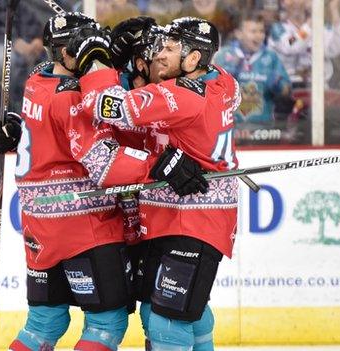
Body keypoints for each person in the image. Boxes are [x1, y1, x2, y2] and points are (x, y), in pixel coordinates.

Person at [0, 12, 208, 351]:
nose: (96, 55)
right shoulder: (76, 96)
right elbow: (104, 160)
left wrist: (13, 125)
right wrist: (160, 165)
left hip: (39, 225)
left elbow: (51, 129)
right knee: (107, 323)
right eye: (88, 48)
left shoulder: (38, 80)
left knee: (46, 321)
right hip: (85, 223)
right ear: (69, 54)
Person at [71, 16, 241, 350]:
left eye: (170, 48)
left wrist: (98, 59)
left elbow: (106, 107)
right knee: (166, 311)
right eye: (160, 47)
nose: (160, 54)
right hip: (177, 217)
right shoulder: (224, 81)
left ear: (193, 59)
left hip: (194, 220)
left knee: (166, 321)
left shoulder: (179, 95)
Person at [214, 12, 291, 124]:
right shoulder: (224, 56)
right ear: (239, 33)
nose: (259, 36)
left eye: (261, 31)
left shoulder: (271, 57)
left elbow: (287, 91)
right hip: (230, 127)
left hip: (264, 129)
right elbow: (209, 91)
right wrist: (223, 79)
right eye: (253, 31)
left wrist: (278, 84)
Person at [267, 0, 312, 86]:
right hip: (285, 86)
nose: (296, 2)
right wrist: (309, 23)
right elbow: (290, 45)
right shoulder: (277, 28)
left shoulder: (317, 26)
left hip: (314, 86)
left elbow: (336, 49)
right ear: (282, 3)